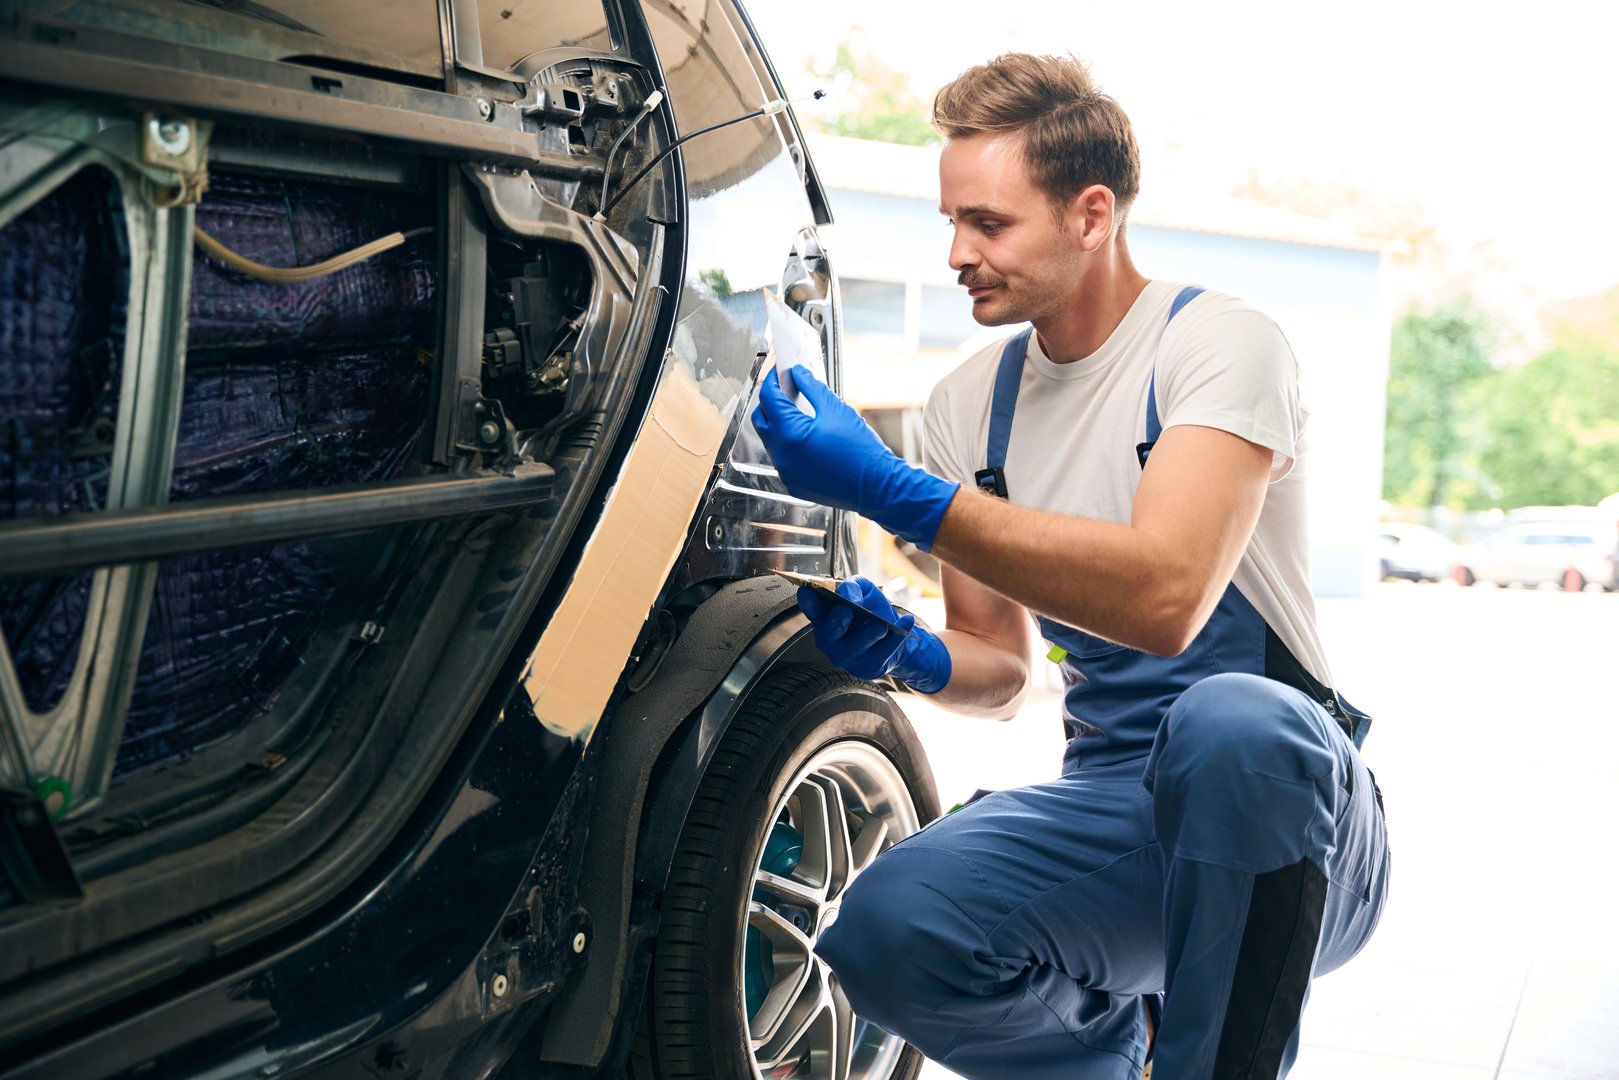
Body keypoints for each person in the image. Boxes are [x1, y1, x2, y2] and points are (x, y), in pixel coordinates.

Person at [751, 53, 1389, 1080]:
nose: (957, 253)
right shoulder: (969, 405)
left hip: (1289, 819)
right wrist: (912, 653)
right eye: (949, 223)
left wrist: (890, 491)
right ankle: (1107, 1063)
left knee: (1234, 723)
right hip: (1116, 810)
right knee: (888, 930)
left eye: (987, 224)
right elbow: (1000, 672)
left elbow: (1167, 597)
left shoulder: (1216, 345)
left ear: (1090, 216)